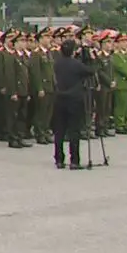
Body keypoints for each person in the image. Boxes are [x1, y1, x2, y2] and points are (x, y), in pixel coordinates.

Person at [49, 39, 94, 169]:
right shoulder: (76, 64)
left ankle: (59, 159)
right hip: (74, 100)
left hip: (60, 99)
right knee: (74, 131)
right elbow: (91, 71)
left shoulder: (57, 63)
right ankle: (74, 160)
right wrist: (90, 57)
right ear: (74, 51)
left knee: (60, 131)